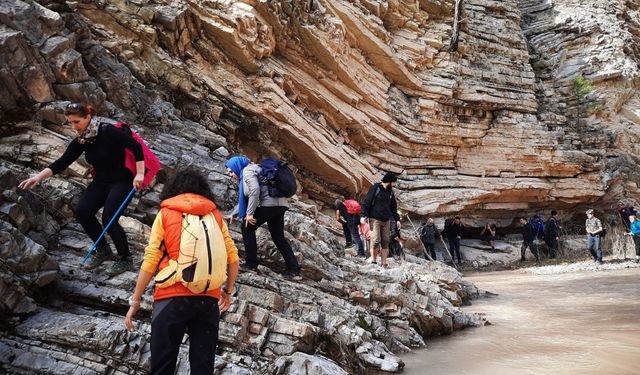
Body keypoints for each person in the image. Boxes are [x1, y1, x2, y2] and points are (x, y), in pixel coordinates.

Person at [124, 169, 239, 375]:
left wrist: (135, 300)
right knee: (202, 368)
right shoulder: (215, 216)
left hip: (171, 298)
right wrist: (227, 292)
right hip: (208, 300)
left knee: (162, 366)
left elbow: (151, 259)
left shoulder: (166, 213)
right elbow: (233, 258)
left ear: (174, 188)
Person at [18, 103, 145, 276]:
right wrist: (37, 177)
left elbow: (136, 147)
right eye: (70, 123)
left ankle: (125, 258)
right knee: (83, 211)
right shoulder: (83, 139)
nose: (73, 126)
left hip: (122, 181)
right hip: (101, 181)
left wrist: (139, 174)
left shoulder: (107, 131)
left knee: (109, 218)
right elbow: (62, 162)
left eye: (76, 122)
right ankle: (103, 250)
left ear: (88, 117)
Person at [225, 156, 301, 278]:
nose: (230, 174)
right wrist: (232, 214)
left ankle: (251, 264)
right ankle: (294, 270)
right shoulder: (256, 169)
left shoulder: (247, 171)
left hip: (269, 204)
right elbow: (248, 197)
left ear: (237, 166)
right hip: (280, 204)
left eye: (231, 171)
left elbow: (254, 190)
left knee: (247, 228)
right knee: (278, 237)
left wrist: (249, 214)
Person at [361, 172, 400, 267]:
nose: (395, 184)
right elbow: (367, 202)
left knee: (386, 241)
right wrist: (363, 215)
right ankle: (373, 261)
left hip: (386, 220)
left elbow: (393, 207)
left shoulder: (390, 192)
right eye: (394, 182)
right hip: (374, 219)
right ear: (389, 181)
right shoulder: (375, 188)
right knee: (375, 240)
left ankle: (384, 263)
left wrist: (397, 220)